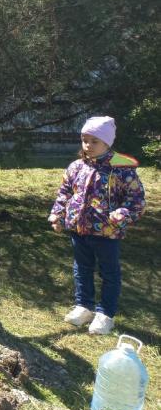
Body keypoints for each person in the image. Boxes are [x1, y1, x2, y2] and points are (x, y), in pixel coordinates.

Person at [49, 116, 145, 335]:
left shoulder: (122, 170)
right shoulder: (76, 167)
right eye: (85, 140)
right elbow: (64, 193)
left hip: (107, 232)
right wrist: (58, 215)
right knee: (81, 268)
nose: (88, 145)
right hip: (79, 229)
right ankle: (84, 306)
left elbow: (136, 200)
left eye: (94, 141)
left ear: (107, 143)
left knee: (109, 273)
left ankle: (105, 314)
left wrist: (122, 214)